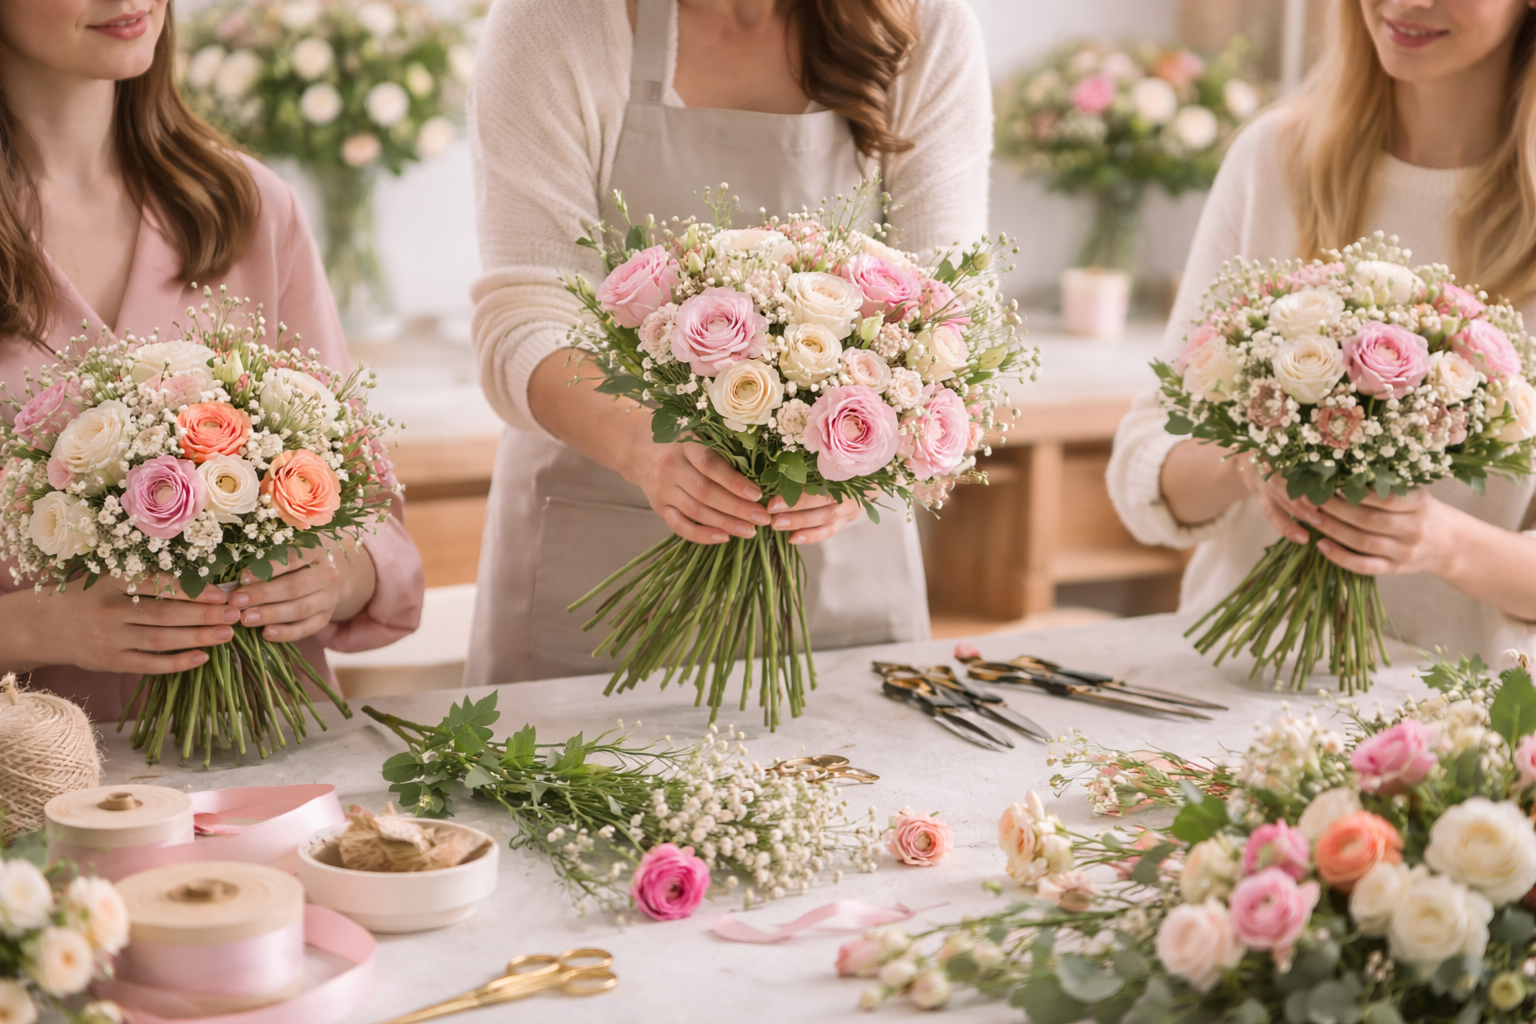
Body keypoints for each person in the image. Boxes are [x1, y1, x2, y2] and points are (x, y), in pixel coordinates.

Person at [466, 0, 992, 684]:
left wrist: (855, 471)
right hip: (597, 572)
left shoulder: (926, 25)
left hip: (843, 579)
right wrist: (645, 447)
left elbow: (947, 318)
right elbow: (524, 315)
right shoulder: (555, 21)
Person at [0, 0, 425, 720]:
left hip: (272, 751)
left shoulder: (251, 206)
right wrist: (35, 629)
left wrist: (331, 578)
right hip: (38, 782)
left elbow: (374, 525)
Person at [1109, 0, 1536, 661]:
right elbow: (1143, 470)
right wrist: (1250, 457)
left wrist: (1444, 543)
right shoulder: (1274, 160)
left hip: (1456, 720)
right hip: (1229, 688)